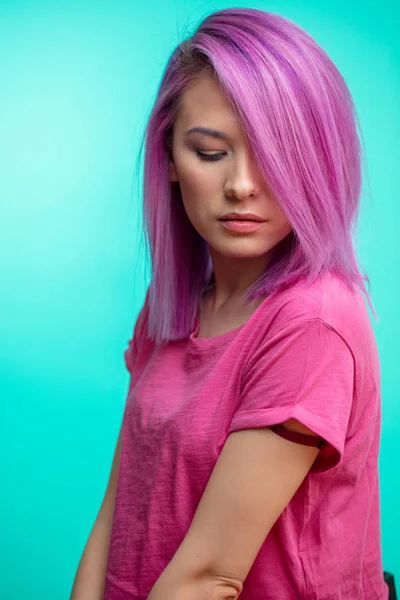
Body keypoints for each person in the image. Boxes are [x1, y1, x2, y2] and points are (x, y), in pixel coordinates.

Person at [70, 7, 388, 600]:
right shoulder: (173, 306)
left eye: (276, 152)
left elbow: (210, 577)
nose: (242, 184)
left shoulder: (312, 323)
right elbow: (116, 511)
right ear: (169, 160)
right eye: (212, 152)